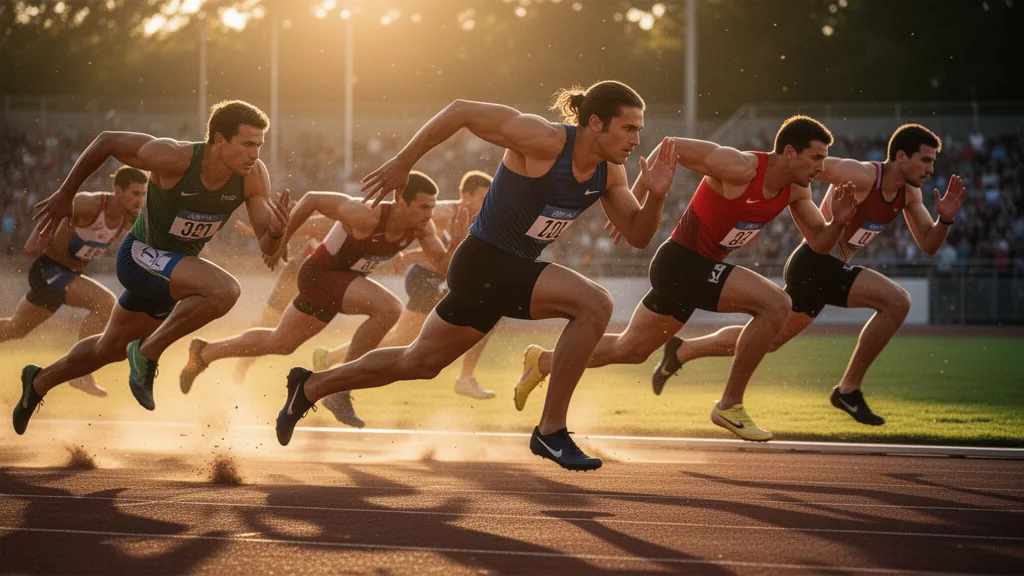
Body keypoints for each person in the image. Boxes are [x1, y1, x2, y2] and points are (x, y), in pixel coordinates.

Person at [275, 80, 679, 471]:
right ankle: (551, 429)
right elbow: (461, 110)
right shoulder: (542, 139)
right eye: (628, 128)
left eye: (638, 130)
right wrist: (403, 163)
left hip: (500, 276)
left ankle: (310, 386)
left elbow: (638, 234)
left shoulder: (610, 174)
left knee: (419, 361)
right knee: (595, 304)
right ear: (595, 123)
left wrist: (657, 196)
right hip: (482, 262)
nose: (636, 139)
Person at [517, 116, 857, 442]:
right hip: (680, 264)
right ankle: (729, 405)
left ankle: (542, 361)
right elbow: (671, 145)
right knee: (776, 304)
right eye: (816, 158)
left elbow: (819, 242)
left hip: (696, 273)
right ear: (790, 152)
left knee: (631, 349)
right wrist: (633, 202)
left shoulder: (796, 191)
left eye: (824, 160)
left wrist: (839, 222)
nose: (821, 168)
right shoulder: (739, 167)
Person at [14, 99, 289, 435]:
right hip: (140, 257)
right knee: (225, 291)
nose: (255, 155)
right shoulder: (174, 158)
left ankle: (38, 382)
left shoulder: (253, 177)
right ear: (219, 140)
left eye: (259, 145)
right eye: (247, 144)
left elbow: (267, 247)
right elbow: (107, 140)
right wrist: (65, 193)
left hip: (171, 273)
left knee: (108, 349)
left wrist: (276, 232)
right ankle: (148, 354)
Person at [664, 124, 964, 425]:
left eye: (933, 161)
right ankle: (848, 390)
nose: (930, 168)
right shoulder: (862, 175)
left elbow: (928, 243)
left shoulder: (909, 194)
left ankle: (684, 350)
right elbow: (806, 168)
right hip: (815, 263)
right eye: (925, 160)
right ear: (901, 157)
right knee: (897, 302)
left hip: (827, 269)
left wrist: (945, 220)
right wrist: (783, 177)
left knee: (768, 340)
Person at [179, 172, 458, 429]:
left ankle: (204, 352)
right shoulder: (365, 214)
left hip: (340, 283)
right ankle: (340, 390)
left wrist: (456, 243)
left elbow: (445, 266)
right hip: (319, 275)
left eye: (432, 208)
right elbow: (313, 199)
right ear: (401, 200)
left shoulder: (423, 228)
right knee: (389, 309)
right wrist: (280, 239)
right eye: (424, 207)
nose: (429, 214)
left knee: (281, 342)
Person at [311, 170, 498, 400]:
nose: (486, 202)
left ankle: (329, 357)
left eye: (489, 197)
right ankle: (465, 378)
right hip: (426, 280)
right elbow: (429, 246)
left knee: (402, 337)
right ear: (465, 195)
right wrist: (408, 256)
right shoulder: (441, 212)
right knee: (475, 316)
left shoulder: (481, 218)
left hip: (442, 280)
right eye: (482, 197)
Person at [1, 166, 147, 396]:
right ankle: (80, 372)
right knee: (105, 303)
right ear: (118, 190)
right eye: (135, 193)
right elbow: (56, 209)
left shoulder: (129, 217)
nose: (139, 199)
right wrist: (35, 238)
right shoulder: (89, 204)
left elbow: (144, 242)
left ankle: (80, 370)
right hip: (48, 270)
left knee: (15, 329)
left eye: (143, 194)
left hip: (68, 277)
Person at [229, 214, 333, 382]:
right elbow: (291, 229)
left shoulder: (348, 224)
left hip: (315, 285)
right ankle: (241, 365)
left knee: (285, 336)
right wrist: (256, 234)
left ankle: (242, 361)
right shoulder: (328, 222)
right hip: (294, 277)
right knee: (268, 326)